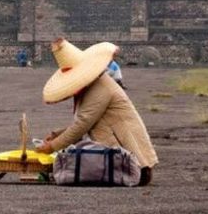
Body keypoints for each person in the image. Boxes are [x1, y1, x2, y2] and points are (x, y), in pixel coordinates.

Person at [35, 38, 158, 186]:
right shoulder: (94, 86)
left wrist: (53, 146)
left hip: (129, 161)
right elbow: (85, 123)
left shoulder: (101, 89)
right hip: (120, 156)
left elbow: (82, 126)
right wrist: (56, 135)